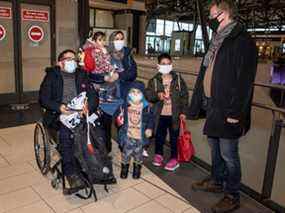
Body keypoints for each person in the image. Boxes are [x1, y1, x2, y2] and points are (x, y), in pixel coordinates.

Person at [189, 1, 258, 212]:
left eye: (211, 15)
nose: (209, 20)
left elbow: (244, 81)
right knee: (215, 146)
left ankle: (232, 194)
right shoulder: (219, 39)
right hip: (213, 105)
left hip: (228, 108)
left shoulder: (242, 41)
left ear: (223, 14)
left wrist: (236, 112)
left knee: (229, 153)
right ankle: (217, 181)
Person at [39, 49, 98, 191]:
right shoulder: (52, 76)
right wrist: (59, 107)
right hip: (60, 114)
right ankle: (71, 173)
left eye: (74, 59)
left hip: (80, 113)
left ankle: (95, 166)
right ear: (60, 63)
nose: (73, 62)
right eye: (69, 59)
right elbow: (43, 99)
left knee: (96, 131)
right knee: (67, 134)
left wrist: (88, 106)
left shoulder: (82, 75)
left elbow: (93, 95)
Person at [145, 53, 189, 172]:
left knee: (174, 137)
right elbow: (148, 94)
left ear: (172, 65)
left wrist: (184, 112)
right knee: (159, 136)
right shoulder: (154, 81)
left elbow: (184, 96)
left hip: (174, 115)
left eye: (168, 64)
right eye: (163, 64)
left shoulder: (178, 80)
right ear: (158, 66)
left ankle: (174, 158)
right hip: (160, 115)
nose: (166, 66)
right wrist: (157, 96)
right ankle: (159, 154)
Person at [82, 31, 122, 154]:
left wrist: (113, 70)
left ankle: (106, 146)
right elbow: (99, 66)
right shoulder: (94, 52)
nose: (102, 42)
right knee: (96, 117)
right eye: (99, 40)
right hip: (97, 82)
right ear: (94, 41)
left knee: (106, 120)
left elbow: (108, 65)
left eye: (103, 40)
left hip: (107, 86)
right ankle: (97, 144)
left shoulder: (105, 51)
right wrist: (109, 70)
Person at [117, 81, 154, 179]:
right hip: (128, 136)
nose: (135, 94)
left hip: (140, 136)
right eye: (133, 92)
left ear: (142, 94)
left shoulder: (146, 107)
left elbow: (151, 118)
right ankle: (124, 169)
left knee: (138, 155)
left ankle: (137, 170)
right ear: (129, 93)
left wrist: (149, 128)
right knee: (126, 154)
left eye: (138, 92)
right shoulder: (124, 105)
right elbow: (117, 116)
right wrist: (119, 120)